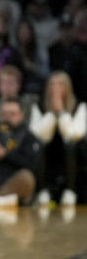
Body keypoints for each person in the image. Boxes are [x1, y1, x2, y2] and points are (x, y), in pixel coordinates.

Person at [29, 70, 86, 206]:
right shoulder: (38, 106)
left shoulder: (80, 106)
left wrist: (61, 112)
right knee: (38, 146)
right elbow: (38, 135)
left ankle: (70, 190)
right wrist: (51, 114)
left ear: (68, 87)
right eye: (52, 84)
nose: (55, 88)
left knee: (71, 145)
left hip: (74, 156)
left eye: (60, 84)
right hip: (48, 154)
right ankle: (42, 190)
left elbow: (75, 135)